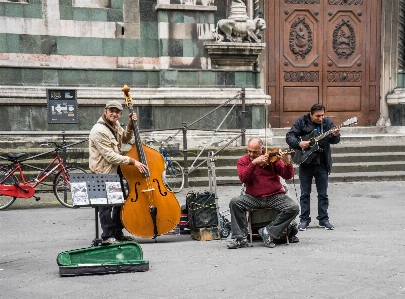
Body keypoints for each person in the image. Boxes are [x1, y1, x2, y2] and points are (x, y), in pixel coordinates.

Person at [89, 100, 147, 244]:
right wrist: (133, 161)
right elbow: (110, 156)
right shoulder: (99, 130)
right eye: (111, 110)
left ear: (120, 114)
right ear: (105, 111)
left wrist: (130, 125)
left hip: (115, 171)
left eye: (117, 112)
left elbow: (126, 138)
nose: (114, 113)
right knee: (106, 205)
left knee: (120, 202)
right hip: (102, 172)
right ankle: (107, 236)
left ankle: (117, 232)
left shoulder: (115, 125)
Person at [227, 137, 299, 249]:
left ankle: (268, 231)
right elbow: (244, 178)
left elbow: (288, 175)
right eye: (249, 151)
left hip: (275, 195)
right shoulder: (243, 161)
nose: (251, 154)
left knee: (293, 207)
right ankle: (240, 238)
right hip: (253, 197)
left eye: (255, 152)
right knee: (235, 202)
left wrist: (287, 163)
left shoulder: (273, 158)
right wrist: (254, 163)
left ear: (262, 149)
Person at [286, 103, 340, 231]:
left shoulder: (327, 123)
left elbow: (334, 141)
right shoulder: (302, 121)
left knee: (323, 194)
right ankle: (304, 220)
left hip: (322, 163)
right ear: (311, 114)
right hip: (306, 162)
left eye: (322, 115)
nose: (320, 118)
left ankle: (323, 219)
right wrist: (299, 143)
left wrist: (335, 135)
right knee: (305, 193)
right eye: (317, 116)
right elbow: (289, 136)